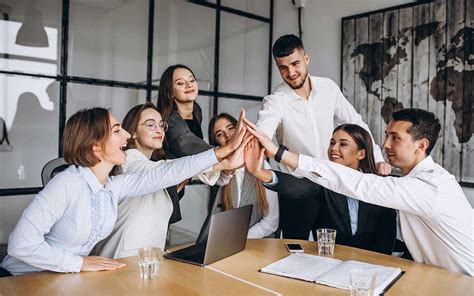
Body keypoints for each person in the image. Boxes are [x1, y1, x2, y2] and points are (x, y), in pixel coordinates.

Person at [1, 107, 247, 275]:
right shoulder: (65, 184)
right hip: (22, 280)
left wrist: (220, 154)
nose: (127, 136)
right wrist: (78, 263)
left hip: (63, 278)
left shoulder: (112, 187)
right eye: (117, 130)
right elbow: (20, 245)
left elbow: (164, 173)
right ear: (95, 145)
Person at [244, 108, 473, 276]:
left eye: (396, 138)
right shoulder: (413, 182)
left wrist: (278, 152)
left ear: (421, 145)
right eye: (387, 135)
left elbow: (358, 184)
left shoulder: (428, 187)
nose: (385, 145)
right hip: (438, 277)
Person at [256, 34, 391, 239]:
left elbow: (356, 123)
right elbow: (263, 131)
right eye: (283, 67)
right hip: (297, 189)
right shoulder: (275, 101)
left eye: (295, 63)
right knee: (294, 251)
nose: (291, 72)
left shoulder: (328, 88)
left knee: (333, 248)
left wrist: (378, 158)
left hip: (330, 186)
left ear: (306, 59)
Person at [245, 124, 397, 254]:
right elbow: (296, 187)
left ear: (361, 153)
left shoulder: (378, 185)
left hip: (372, 265)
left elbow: (387, 235)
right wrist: (259, 172)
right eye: (332, 143)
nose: (333, 148)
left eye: (343, 144)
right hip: (331, 261)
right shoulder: (324, 180)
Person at [197, 113, 278, 240]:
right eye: (219, 134)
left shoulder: (263, 167)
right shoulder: (220, 174)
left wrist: (238, 239)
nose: (227, 135)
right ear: (216, 143)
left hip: (259, 243)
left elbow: (271, 223)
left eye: (231, 128)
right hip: (226, 242)